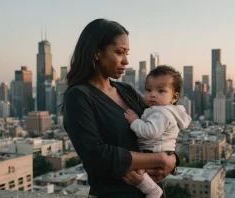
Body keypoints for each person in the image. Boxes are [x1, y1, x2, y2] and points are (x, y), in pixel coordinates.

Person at [62, 19, 179, 198]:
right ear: (96, 53)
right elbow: (96, 156)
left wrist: (173, 160)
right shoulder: (79, 97)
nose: (125, 61)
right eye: (119, 52)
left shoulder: (126, 91)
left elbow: (161, 125)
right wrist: (160, 159)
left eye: (127, 53)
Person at [124, 66, 192, 198]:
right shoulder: (161, 110)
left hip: (154, 151)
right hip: (161, 151)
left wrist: (135, 121)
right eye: (148, 90)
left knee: (136, 172)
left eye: (161, 91)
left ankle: (152, 191)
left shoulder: (161, 112)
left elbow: (150, 132)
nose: (153, 94)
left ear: (174, 97)